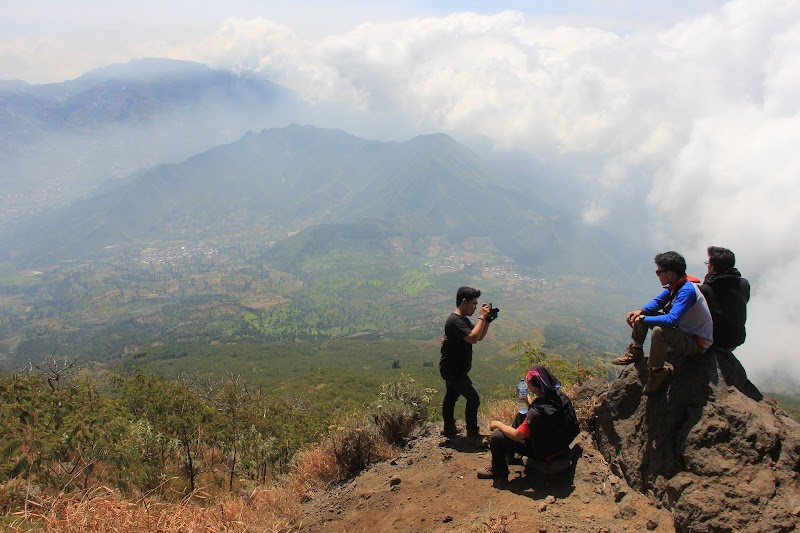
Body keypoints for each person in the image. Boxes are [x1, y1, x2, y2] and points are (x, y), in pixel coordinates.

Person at [612, 251, 713, 394]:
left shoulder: (686, 290)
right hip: (683, 333)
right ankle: (636, 351)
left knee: (659, 331)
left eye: (659, 272)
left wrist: (643, 319)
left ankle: (657, 373)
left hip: (696, 343)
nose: (657, 275)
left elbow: (672, 320)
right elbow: (658, 302)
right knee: (644, 315)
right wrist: (641, 311)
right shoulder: (677, 285)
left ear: (670, 273)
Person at [477, 365, 579, 481]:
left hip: (545, 452)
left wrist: (497, 423)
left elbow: (517, 435)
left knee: (496, 436)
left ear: (534, 388)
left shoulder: (535, 413)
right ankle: (509, 455)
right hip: (560, 444)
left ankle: (499, 470)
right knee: (522, 414)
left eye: (528, 383)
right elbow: (548, 416)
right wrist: (531, 405)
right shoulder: (560, 396)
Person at [439, 286, 491, 445]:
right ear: (464, 302)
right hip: (453, 370)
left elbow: (479, 336)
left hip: (452, 368)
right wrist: (482, 317)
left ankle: (449, 427)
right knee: (473, 397)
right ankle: (472, 435)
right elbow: (473, 338)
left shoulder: (462, 320)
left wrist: (487, 320)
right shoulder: (455, 321)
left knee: (451, 396)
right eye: (474, 304)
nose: (475, 307)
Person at [699, 246, 750, 351]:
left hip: (713, 341)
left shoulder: (705, 290)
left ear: (712, 267)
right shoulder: (743, 284)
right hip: (735, 341)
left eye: (708, 264)